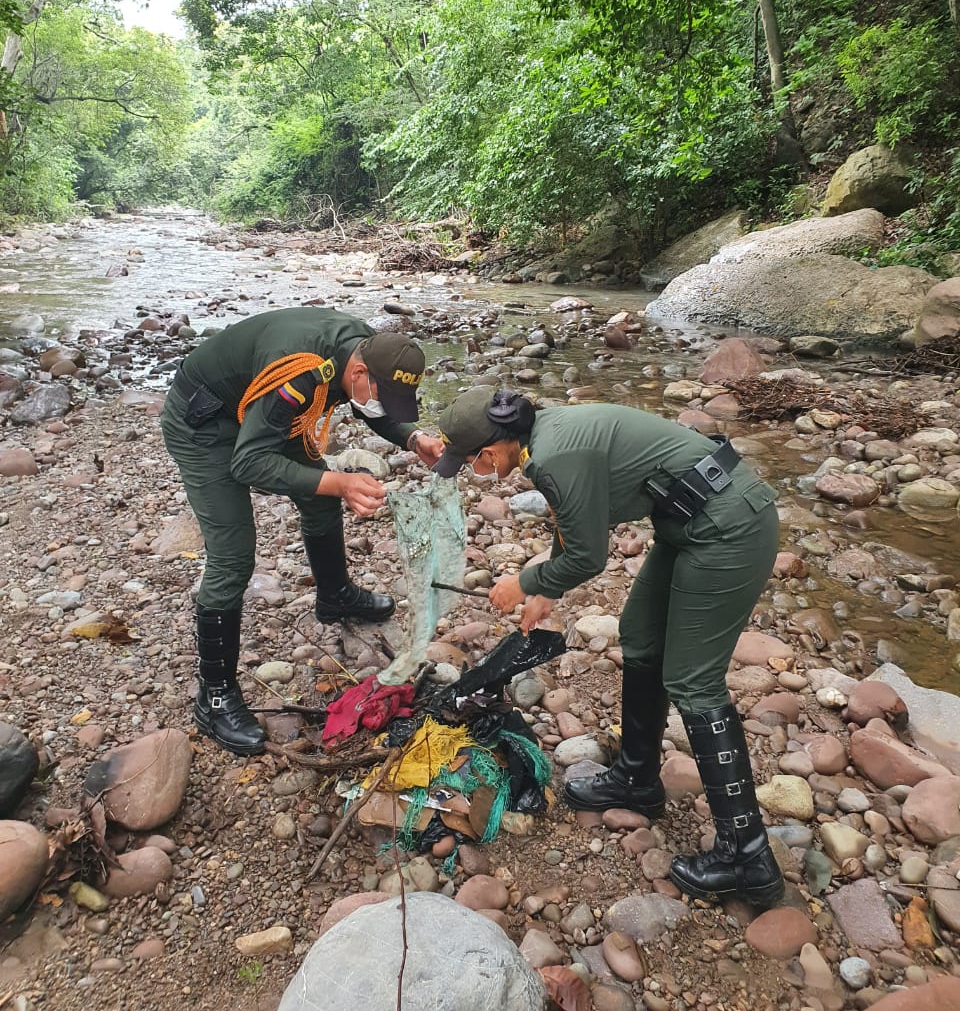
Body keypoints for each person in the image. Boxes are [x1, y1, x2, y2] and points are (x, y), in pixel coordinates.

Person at [432, 387, 783, 910]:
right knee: (641, 636)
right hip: (688, 523)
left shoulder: (554, 455)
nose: (476, 471)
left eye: (472, 461)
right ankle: (638, 781)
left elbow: (590, 557)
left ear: (491, 448)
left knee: (693, 680)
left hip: (729, 528)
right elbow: (570, 526)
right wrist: (546, 591)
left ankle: (748, 856)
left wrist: (524, 581)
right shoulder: (542, 439)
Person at [161, 307, 445, 757]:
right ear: (357, 370)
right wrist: (339, 481)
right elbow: (247, 462)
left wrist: (412, 438)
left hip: (265, 410)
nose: (381, 404)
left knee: (318, 494)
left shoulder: (370, 350)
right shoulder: (301, 373)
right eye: (380, 393)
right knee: (233, 557)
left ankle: (334, 596)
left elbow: (368, 404)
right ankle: (213, 698)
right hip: (206, 421)